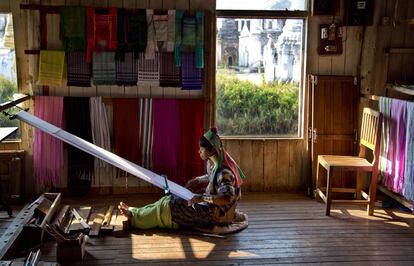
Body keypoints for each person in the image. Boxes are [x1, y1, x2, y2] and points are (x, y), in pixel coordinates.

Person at [118, 127, 247, 232]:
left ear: (212, 149)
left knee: (171, 206)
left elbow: (227, 198)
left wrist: (201, 198)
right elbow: (211, 176)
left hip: (213, 214)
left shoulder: (224, 172)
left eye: (201, 149)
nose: (199, 152)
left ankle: (135, 219)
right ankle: (135, 212)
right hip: (207, 204)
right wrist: (197, 180)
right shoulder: (213, 163)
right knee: (169, 199)